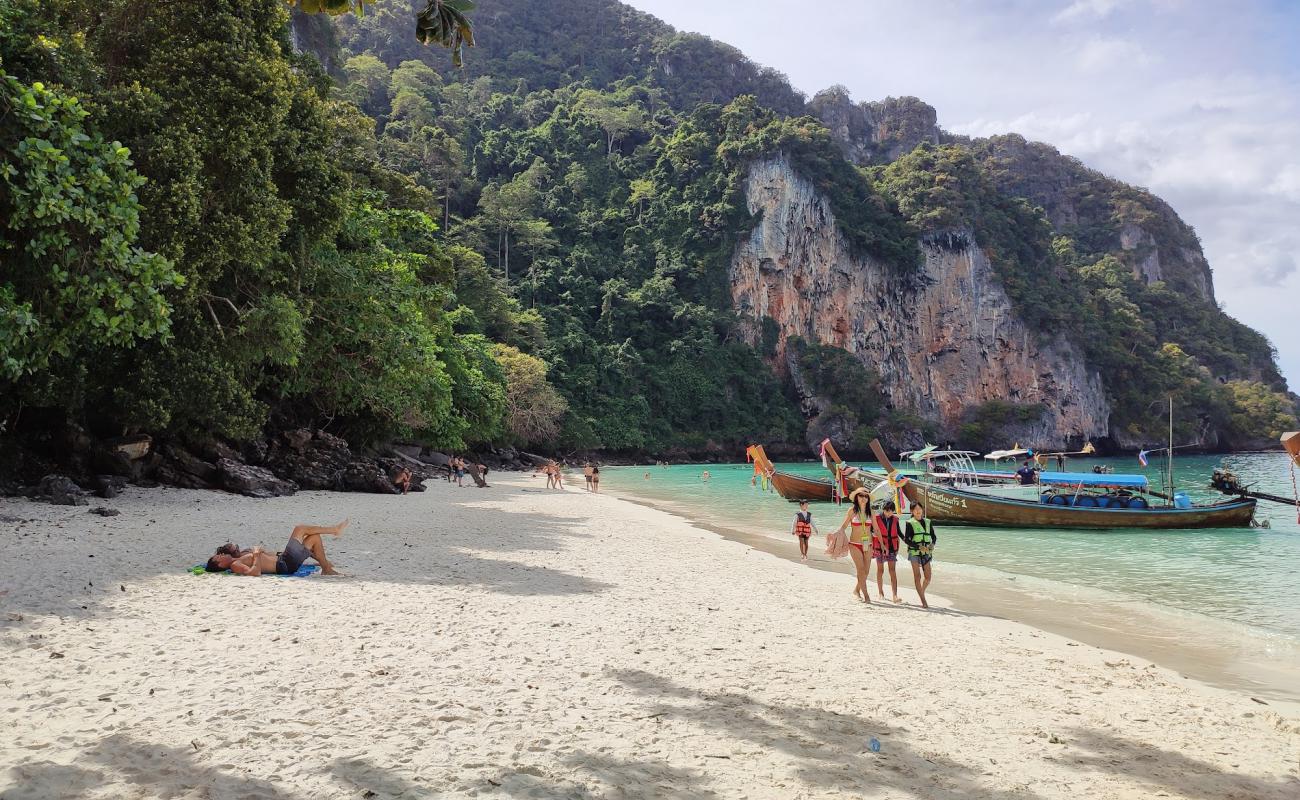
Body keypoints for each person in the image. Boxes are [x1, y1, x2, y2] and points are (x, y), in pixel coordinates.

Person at [205, 519, 348, 577]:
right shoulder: (235, 565)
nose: (221, 555)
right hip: (284, 565)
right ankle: (334, 530)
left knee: (314, 538)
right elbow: (254, 573)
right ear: (220, 564)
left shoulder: (239, 557)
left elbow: (269, 556)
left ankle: (326, 569)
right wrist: (255, 554)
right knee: (299, 529)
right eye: (218, 557)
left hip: (284, 559)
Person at [833, 488, 874, 603]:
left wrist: (882, 544)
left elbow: (876, 528)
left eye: (866, 496)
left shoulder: (870, 511)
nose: (863, 498)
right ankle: (866, 596)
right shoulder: (852, 511)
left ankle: (856, 590)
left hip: (868, 544)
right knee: (860, 570)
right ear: (857, 497)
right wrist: (836, 533)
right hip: (855, 544)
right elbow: (844, 525)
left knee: (866, 572)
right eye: (861, 495)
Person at [901, 502, 937, 608]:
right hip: (914, 553)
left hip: (926, 552)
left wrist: (932, 545)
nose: (918, 511)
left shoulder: (928, 522)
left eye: (919, 508)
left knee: (928, 578)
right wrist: (918, 547)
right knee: (917, 576)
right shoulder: (910, 523)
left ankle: (921, 591)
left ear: (922, 509)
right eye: (915, 509)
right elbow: (907, 540)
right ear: (912, 511)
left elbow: (934, 537)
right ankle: (923, 600)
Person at [872, 500, 903, 603]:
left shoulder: (895, 520)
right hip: (879, 548)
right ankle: (880, 592)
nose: (888, 513)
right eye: (886, 511)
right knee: (880, 570)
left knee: (892, 571)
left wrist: (909, 541)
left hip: (892, 548)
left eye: (890, 511)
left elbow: (899, 534)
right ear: (883, 509)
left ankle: (895, 595)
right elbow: (871, 531)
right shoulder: (876, 519)